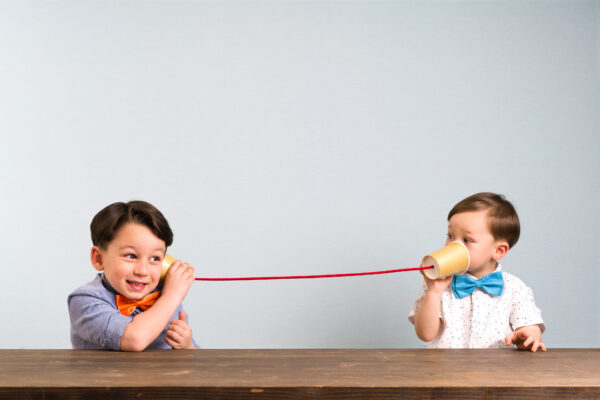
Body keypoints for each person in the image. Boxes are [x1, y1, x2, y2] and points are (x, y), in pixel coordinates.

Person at [408, 192, 546, 352]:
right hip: (445, 371)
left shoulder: (515, 289)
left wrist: (528, 336)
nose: (453, 245)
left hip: (495, 371)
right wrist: (434, 293)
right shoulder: (436, 284)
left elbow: (531, 326)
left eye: (467, 240)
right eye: (451, 236)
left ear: (499, 251)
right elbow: (425, 334)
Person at [68, 200, 198, 351]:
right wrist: (172, 296)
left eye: (155, 258)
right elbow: (134, 339)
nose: (142, 271)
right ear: (99, 258)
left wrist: (187, 347)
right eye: (130, 256)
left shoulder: (165, 296)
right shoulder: (85, 300)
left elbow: (195, 360)